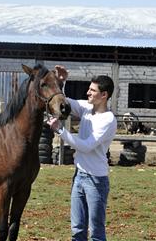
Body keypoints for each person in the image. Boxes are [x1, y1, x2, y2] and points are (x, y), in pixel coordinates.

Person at [47, 65, 117, 241]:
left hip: (96, 180)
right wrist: (61, 83)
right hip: (79, 176)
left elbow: (86, 146)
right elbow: (65, 101)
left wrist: (60, 131)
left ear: (104, 95)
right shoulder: (87, 107)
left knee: (96, 233)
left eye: (92, 90)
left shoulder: (108, 119)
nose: (88, 93)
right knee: (77, 229)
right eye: (89, 89)